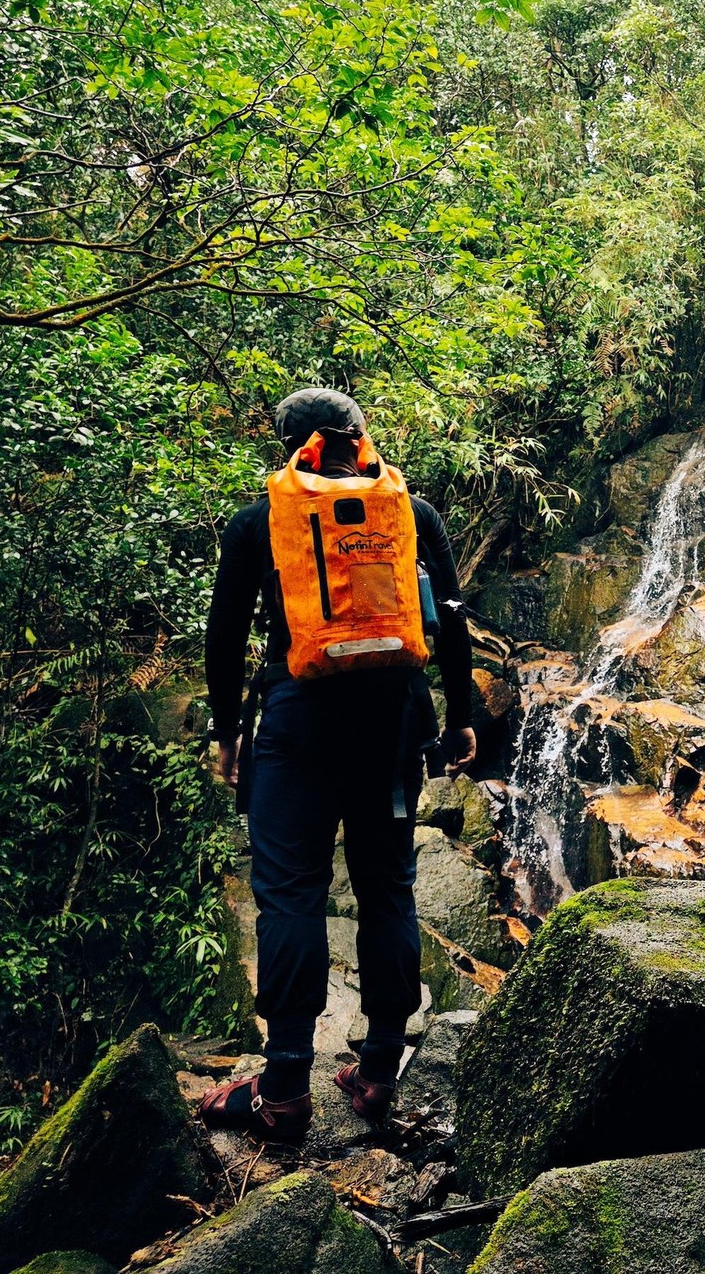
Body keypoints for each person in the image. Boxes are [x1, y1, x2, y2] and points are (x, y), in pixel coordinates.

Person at [198, 388, 476, 1143]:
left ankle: (284, 1085)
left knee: (290, 891)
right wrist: (464, 718)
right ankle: (380, 1068)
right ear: (361, 439)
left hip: (298, 723)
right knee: (387, 885)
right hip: (393, 724)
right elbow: (450, 624)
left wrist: (228, 733)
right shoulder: (410, 515)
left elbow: (224, 640)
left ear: (289, 447)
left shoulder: (263, 522)